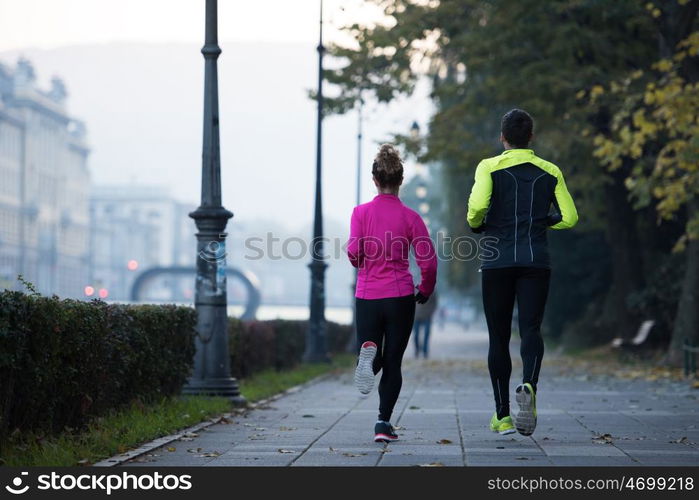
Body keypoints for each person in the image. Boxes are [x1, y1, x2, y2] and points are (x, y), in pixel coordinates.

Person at [466, 109, 578, 437]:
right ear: (531, 138)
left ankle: (501, 416)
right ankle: (529, 384)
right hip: (535, 260)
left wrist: (477, 225)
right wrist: (543, 222)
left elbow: (476, 209)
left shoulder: (489, 166)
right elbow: (570, 217)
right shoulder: (550, 170)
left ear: (503, 138)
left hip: (497, 260)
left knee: (498, 336)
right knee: (531, 328)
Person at [347, 144, 437, 443]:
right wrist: (424, 289)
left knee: (372, 353)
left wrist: (361, 260)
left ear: (375, 180)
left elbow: (354, 253)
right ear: (400, 181)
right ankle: (383, 424)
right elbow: (429, 261)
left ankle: (368, 357)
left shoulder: (360, 213)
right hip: (399, 297)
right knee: (395, 362)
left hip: (368, 295)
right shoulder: (411, 217)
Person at [413, 290, 438, 358]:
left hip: (427, 316)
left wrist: (430, 313)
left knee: (426, 334)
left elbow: (435, 304)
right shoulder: (415, 290)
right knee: (416, 335)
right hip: (416, 316)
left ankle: (425, 351)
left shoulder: (432, 291)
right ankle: (417, 350)